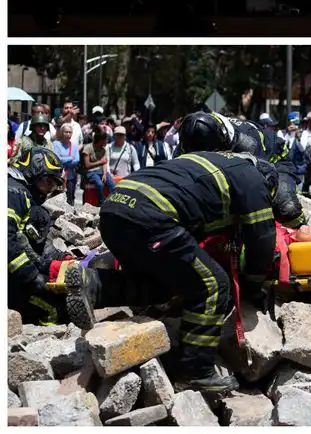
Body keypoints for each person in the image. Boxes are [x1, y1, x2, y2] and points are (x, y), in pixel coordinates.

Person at [65, 149, 280, 394]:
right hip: (152, 217)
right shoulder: (252, 179)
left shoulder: (210, 163)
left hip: (115, 211)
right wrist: (252, 285)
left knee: (165, 283)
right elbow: (262, 240)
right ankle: (195, 371)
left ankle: (94, 283)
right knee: (213, 285)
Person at [8, 147, 69, 325]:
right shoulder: (14, 193)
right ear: (35, 171)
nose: (51, 188)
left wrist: (58, 259)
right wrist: (32, 277)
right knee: (57, 312)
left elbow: (28, 243)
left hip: (12, 275)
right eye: (49, 181)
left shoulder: (21, 191)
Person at [80, 128, 117, 198]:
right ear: (100, 141)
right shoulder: (88, 148)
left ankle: (112, 200)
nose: (107, 141)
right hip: (91, 172)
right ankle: (101, 202)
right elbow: (87, 165)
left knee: (112, 185)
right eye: (106, 140)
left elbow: (104, 163)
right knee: (100, 185)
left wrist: (105, 174)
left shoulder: (103, 149)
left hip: (101, 171)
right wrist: (100, 162)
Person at [51, 124, 81, 205]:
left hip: (70, 176)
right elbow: (57, 159)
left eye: (70, 132)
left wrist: (63, 159)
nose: (68, 134)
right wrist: (70, 158)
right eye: (66, 132)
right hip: (59, 176)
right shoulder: (56, 144)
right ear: (62, 133)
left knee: (70, 197)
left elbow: (77, 160)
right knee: (57, 197)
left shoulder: (74, 146)